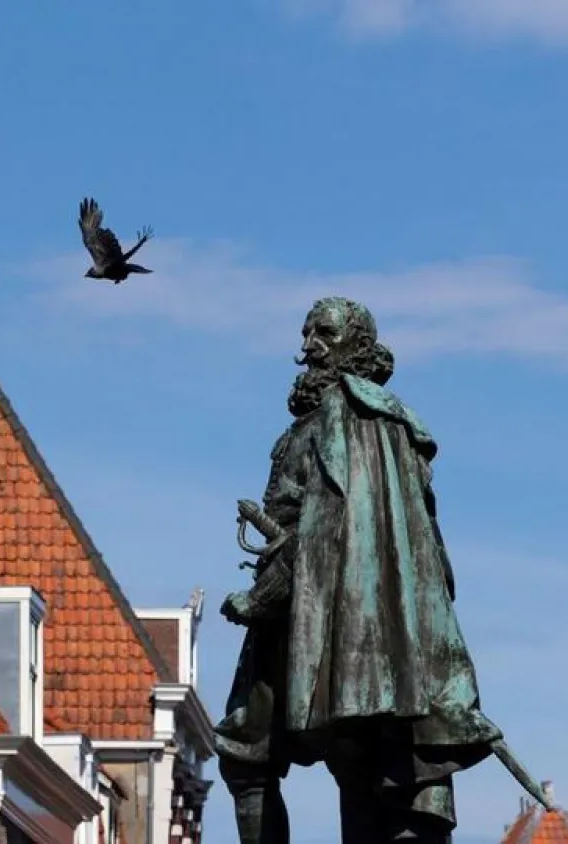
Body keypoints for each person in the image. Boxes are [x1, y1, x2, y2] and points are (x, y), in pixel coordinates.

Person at [216, 297, 503, 843]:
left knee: (247, 752)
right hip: (383, 630)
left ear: (357, 346)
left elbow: (318, 535)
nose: (308, 347)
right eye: (306, 334)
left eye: (322, 332)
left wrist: (259, 601)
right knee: (366, 761)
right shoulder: (390, 427)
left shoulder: (340, 422)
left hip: (304, 609)